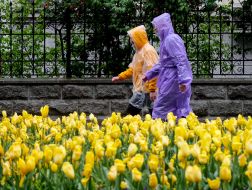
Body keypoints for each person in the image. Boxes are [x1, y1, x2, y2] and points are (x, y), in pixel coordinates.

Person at [143, 13, 193, 120]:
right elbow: (163, 63)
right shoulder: (166, 41)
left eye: (156, 28)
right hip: (172, 79)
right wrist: (149, 74)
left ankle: (158, 132)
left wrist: (183, 81)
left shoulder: (171, 39)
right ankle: (184, 132)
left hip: (173, 80)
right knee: (179, 108)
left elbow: (180, 60)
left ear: (163, 27)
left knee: (161, 108)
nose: (155, 31)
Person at [112, 25, 159, 116]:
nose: (131, 41)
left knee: (134, 111)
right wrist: (120, 77)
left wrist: (152, 89)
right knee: (153, 112)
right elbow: (133, 69)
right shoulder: (139, 52)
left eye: (132, 38)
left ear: (138, 38)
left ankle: (123, 125)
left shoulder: (148, 51)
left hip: (147, 88)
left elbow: (154, 70)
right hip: (143, 88)